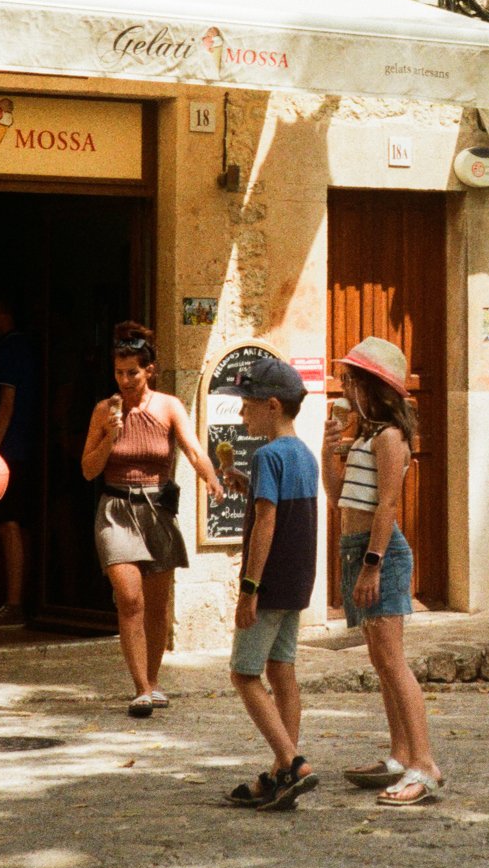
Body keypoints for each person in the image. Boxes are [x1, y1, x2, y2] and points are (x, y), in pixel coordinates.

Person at [80, 320, 223, 718]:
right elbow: (88, 470)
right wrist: (110, 435)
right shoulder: (104, 410)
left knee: (157, 607)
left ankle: (154, 680)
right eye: (119, 373)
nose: (125, 380)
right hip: (115, 510)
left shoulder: (168, 407)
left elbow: (194, 450)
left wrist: (210, 477)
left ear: (150, 370)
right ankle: (141, 688)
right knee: (130, 599)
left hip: (157, 510)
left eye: (133, 372)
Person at [330, 337, 444, 806]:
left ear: (371, 387)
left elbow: (388, 505)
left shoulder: (391, 438)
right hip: (356, 548)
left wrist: (372, 565)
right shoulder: (364, 437)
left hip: (380, 553)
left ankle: (425, 765)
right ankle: (399, 755)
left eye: (351, 379)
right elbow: (339, 493)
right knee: (380, 660)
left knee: (393, 662)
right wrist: (326, 450)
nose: (345, 387)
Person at [221, 356, 319, 811]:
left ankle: (291, 760)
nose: (243, 415)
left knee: (244, 673)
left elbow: (266, 521)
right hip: (298, 579)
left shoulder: (266, 455)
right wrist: (244, 484)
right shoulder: (303, 453)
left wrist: (249, 587)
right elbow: (286, 511)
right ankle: (283, 776)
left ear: (273, 406)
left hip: (271, 581)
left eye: (248, 405)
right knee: (282, 670)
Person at [0, 289, 41, 628]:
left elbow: (7, 401)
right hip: (26, 447)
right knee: (21, 525)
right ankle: (23, 599)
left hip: (10, 450)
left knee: (9, 524)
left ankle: (14, 603)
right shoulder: (26, 346)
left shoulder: (8, 348)